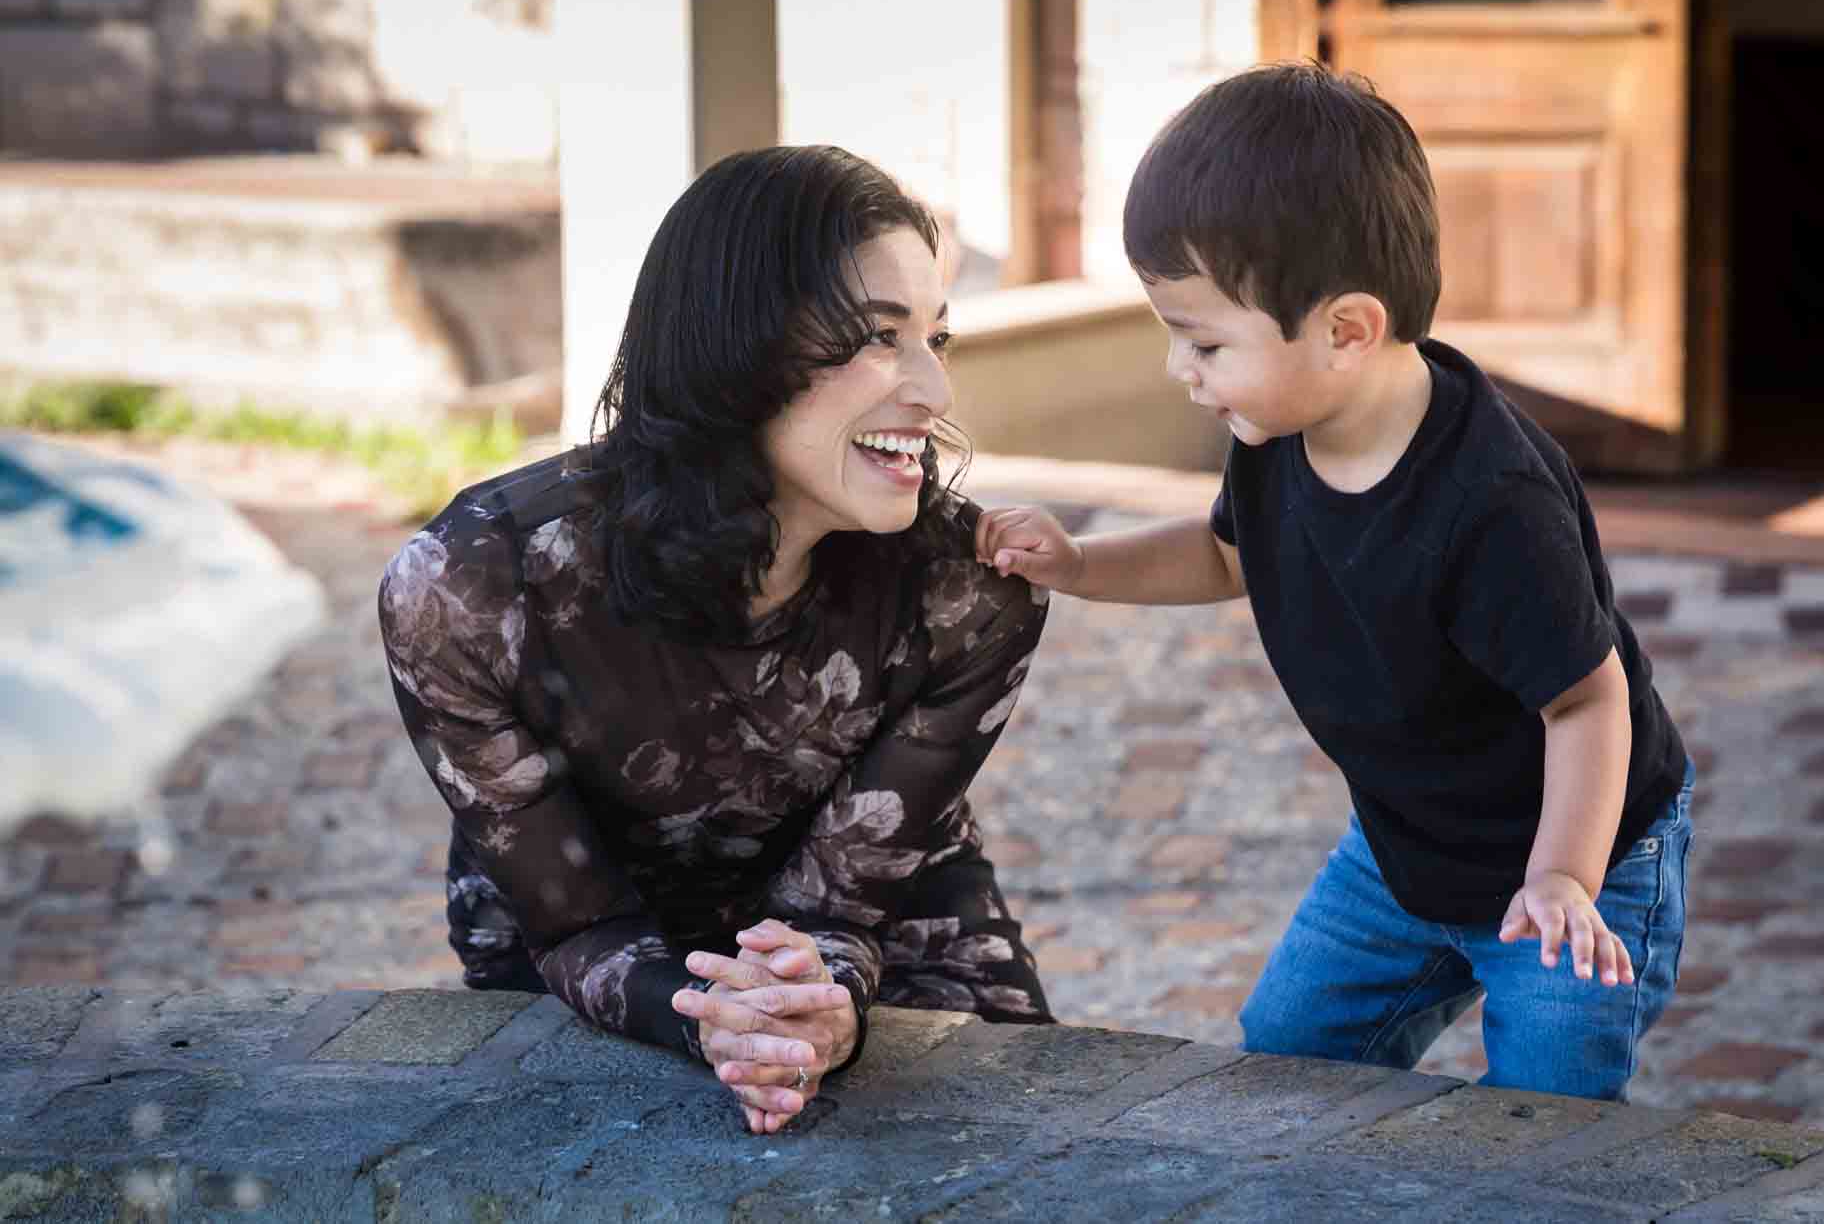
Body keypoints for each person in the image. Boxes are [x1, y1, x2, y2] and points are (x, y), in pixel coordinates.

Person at [976, 63, 1694, 1101]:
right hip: (1403, 850)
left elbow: (1587, 699)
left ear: (1345, 330)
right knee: (1284, 1055)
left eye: (1204, 341)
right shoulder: (1275, 430)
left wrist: (1560, 878)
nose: (1182, 371)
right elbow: (1226, 552)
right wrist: (1082, 564)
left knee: (1547, 1109)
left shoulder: (1490, 503)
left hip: (1577, 859)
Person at [380, 145, 1053, 1135]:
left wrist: (816, 1010)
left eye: (936, 340)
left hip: (878, 934)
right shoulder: (474, 588)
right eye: (878, 337)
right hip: (593, 953)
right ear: (734, 346)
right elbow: (573, 921)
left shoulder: (966, 593)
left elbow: (844, 903)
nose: (933, 393)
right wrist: (722, 1023)